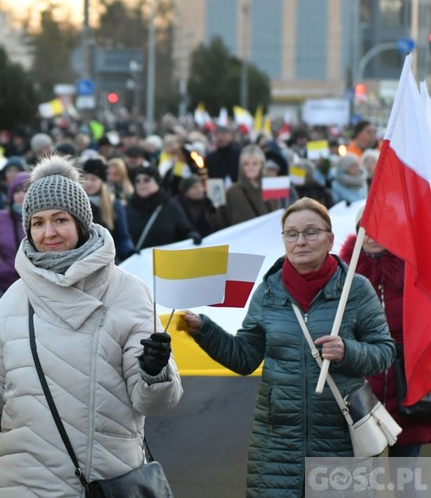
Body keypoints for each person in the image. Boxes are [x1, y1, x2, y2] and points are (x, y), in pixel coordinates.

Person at [0, 155, 182, 494]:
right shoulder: (13, 300)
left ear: (81, 222)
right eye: (37, 223)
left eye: (60, 220)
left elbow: (153, 404)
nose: (48, 232)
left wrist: (155, 372)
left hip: (102, 481)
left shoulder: (129, 293)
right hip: (22, 481)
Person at [181, 198, 395, 496]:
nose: (300, 241)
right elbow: (244, 358)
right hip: (276, 443)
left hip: (340, 438)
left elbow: (384, 352)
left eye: (311, 232)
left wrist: (348, 351)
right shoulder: (268, 291)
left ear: (330, 239)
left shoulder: (355, 289)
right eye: (291, 233)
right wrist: (205, 329)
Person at [340, 208, 431, 457]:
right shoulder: (343, 275)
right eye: (364, 228)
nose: (371, 235)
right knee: (359, 483)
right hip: (362, 392)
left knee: (406, 481)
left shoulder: (417, 270)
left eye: (378, 226)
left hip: (407, 392)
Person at [125, 165, 197, 250]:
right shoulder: (129, 207)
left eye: (146, 180)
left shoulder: (170, 206)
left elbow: (184, 230)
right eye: (137, 180)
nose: (141, 183)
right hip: (136, 261)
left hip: (165, 259)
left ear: (157, 182)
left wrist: (192, 235)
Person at [82, 158, 135, 261]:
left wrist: (130, 251)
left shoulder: (114, 203)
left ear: (102, 181)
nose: (88, 183)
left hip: (108, 261)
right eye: (86, 178)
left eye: (93, 179)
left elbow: (122, 237)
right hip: (83, 260)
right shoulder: (76, 203)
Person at [218, 144, 280, 227]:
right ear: (241, 166)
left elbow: (276, 218)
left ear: (261, 166)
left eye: (255, 164)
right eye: (246, 164)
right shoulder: (231, 192)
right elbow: (221, 221)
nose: (250, 167)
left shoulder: (271, 188)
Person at [0, 171, 29, 293]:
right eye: (17, 191)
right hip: (3, 286)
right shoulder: (0, 218)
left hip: (34, 286)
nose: (21, 195)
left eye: (24, 190)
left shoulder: (41, 219)